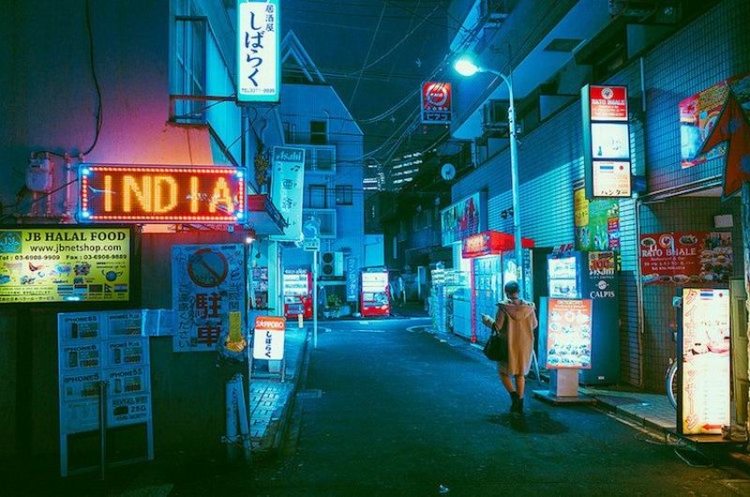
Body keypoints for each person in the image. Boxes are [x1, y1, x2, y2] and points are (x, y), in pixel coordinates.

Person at [481, 281, 538, 414]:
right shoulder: (529, 307)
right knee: (520, 373)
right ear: (519, 291)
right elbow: (534, 325)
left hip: (508, 344)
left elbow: (497, 326)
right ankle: (520, 400)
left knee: (502, 371)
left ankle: (514, 396)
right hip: (525, 344)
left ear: (506, 293)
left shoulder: (503, 307)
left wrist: (487, 320)